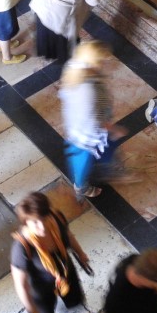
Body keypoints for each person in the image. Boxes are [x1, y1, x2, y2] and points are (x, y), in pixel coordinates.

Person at [10, 191, 90, 313]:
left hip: (64, 269)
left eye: (44, 219)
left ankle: (69, 301)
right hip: (41, 287)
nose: (42, 227)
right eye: (35, 222)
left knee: (74, 298)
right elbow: (20, 284)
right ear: (26, 222)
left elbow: (68, 235)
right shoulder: (21, 248)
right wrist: (31, 308)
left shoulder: (56, 218)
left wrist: (80, 253)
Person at [59, 40, 128, 199]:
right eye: (103, 61)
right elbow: (93, 122)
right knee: (83, 165)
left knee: (106, 150)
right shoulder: (88, 90)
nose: (105, 64)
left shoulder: (74, 67)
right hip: (86, 137)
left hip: (78, 128)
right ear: (94, 62)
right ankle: (81, 188)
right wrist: (114, 129)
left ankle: (112, 169)